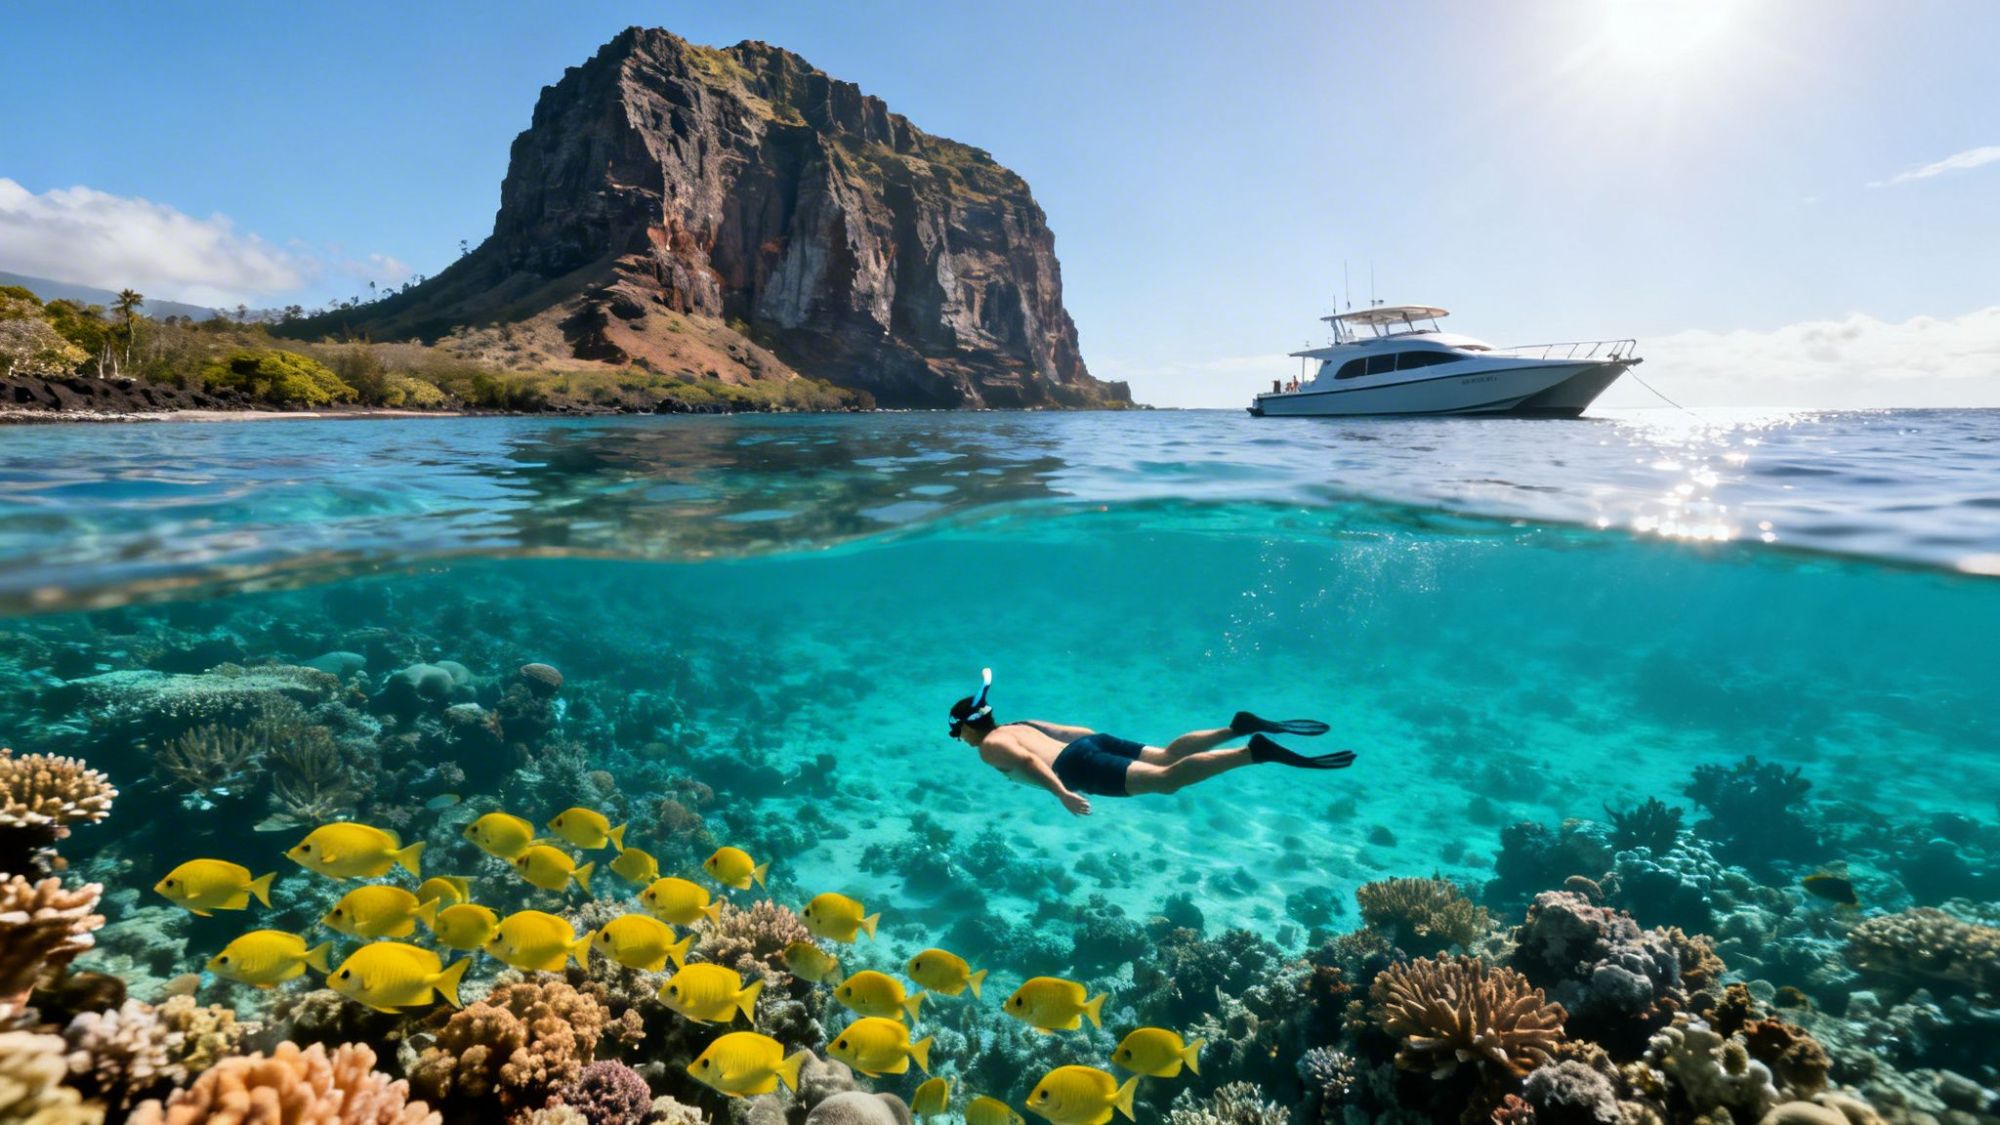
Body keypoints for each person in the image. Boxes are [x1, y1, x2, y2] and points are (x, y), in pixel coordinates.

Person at [947, 670, 1355, 816]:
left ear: (969, 727)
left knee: (1165, 779)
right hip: (1091, 744)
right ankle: (1237, 728)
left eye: (958, 732)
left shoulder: (990, 747)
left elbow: (1031, 764)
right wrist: (1099, 746)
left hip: (1076, 768)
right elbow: (1069, 730)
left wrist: (1062, 793)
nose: (960, 740)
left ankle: (1253, 751)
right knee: (1165, 754)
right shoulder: (1020, 722)